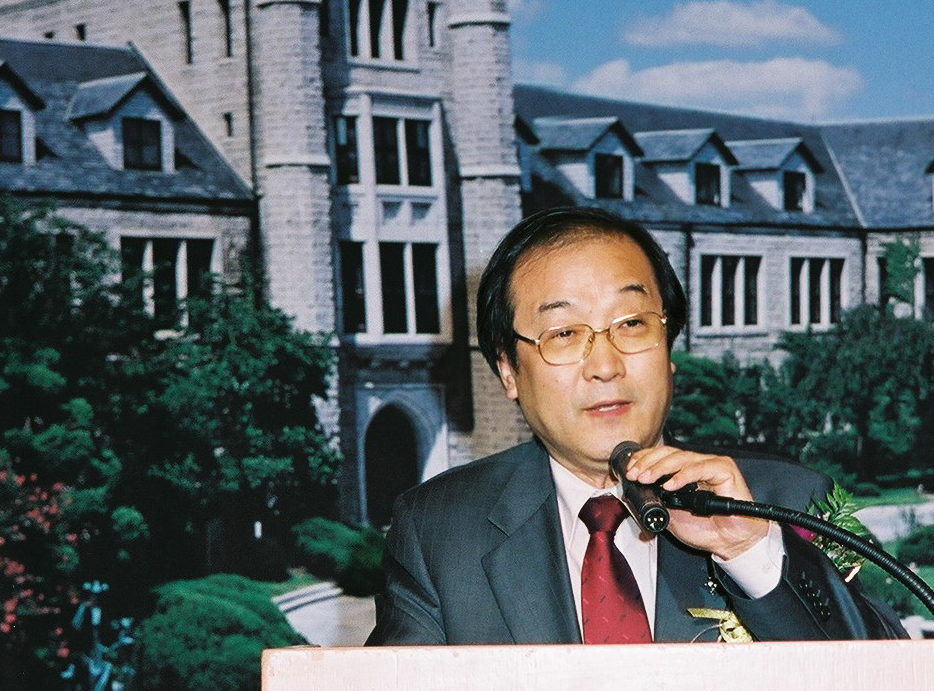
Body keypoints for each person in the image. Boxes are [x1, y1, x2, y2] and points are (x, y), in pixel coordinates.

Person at [367, 207, 904, 646]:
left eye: (631, 324)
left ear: (668, 350)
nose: (605, 365)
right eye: (563, 334)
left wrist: (751, 555)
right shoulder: (440, 532)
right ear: (508, 371)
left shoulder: (790, 502)